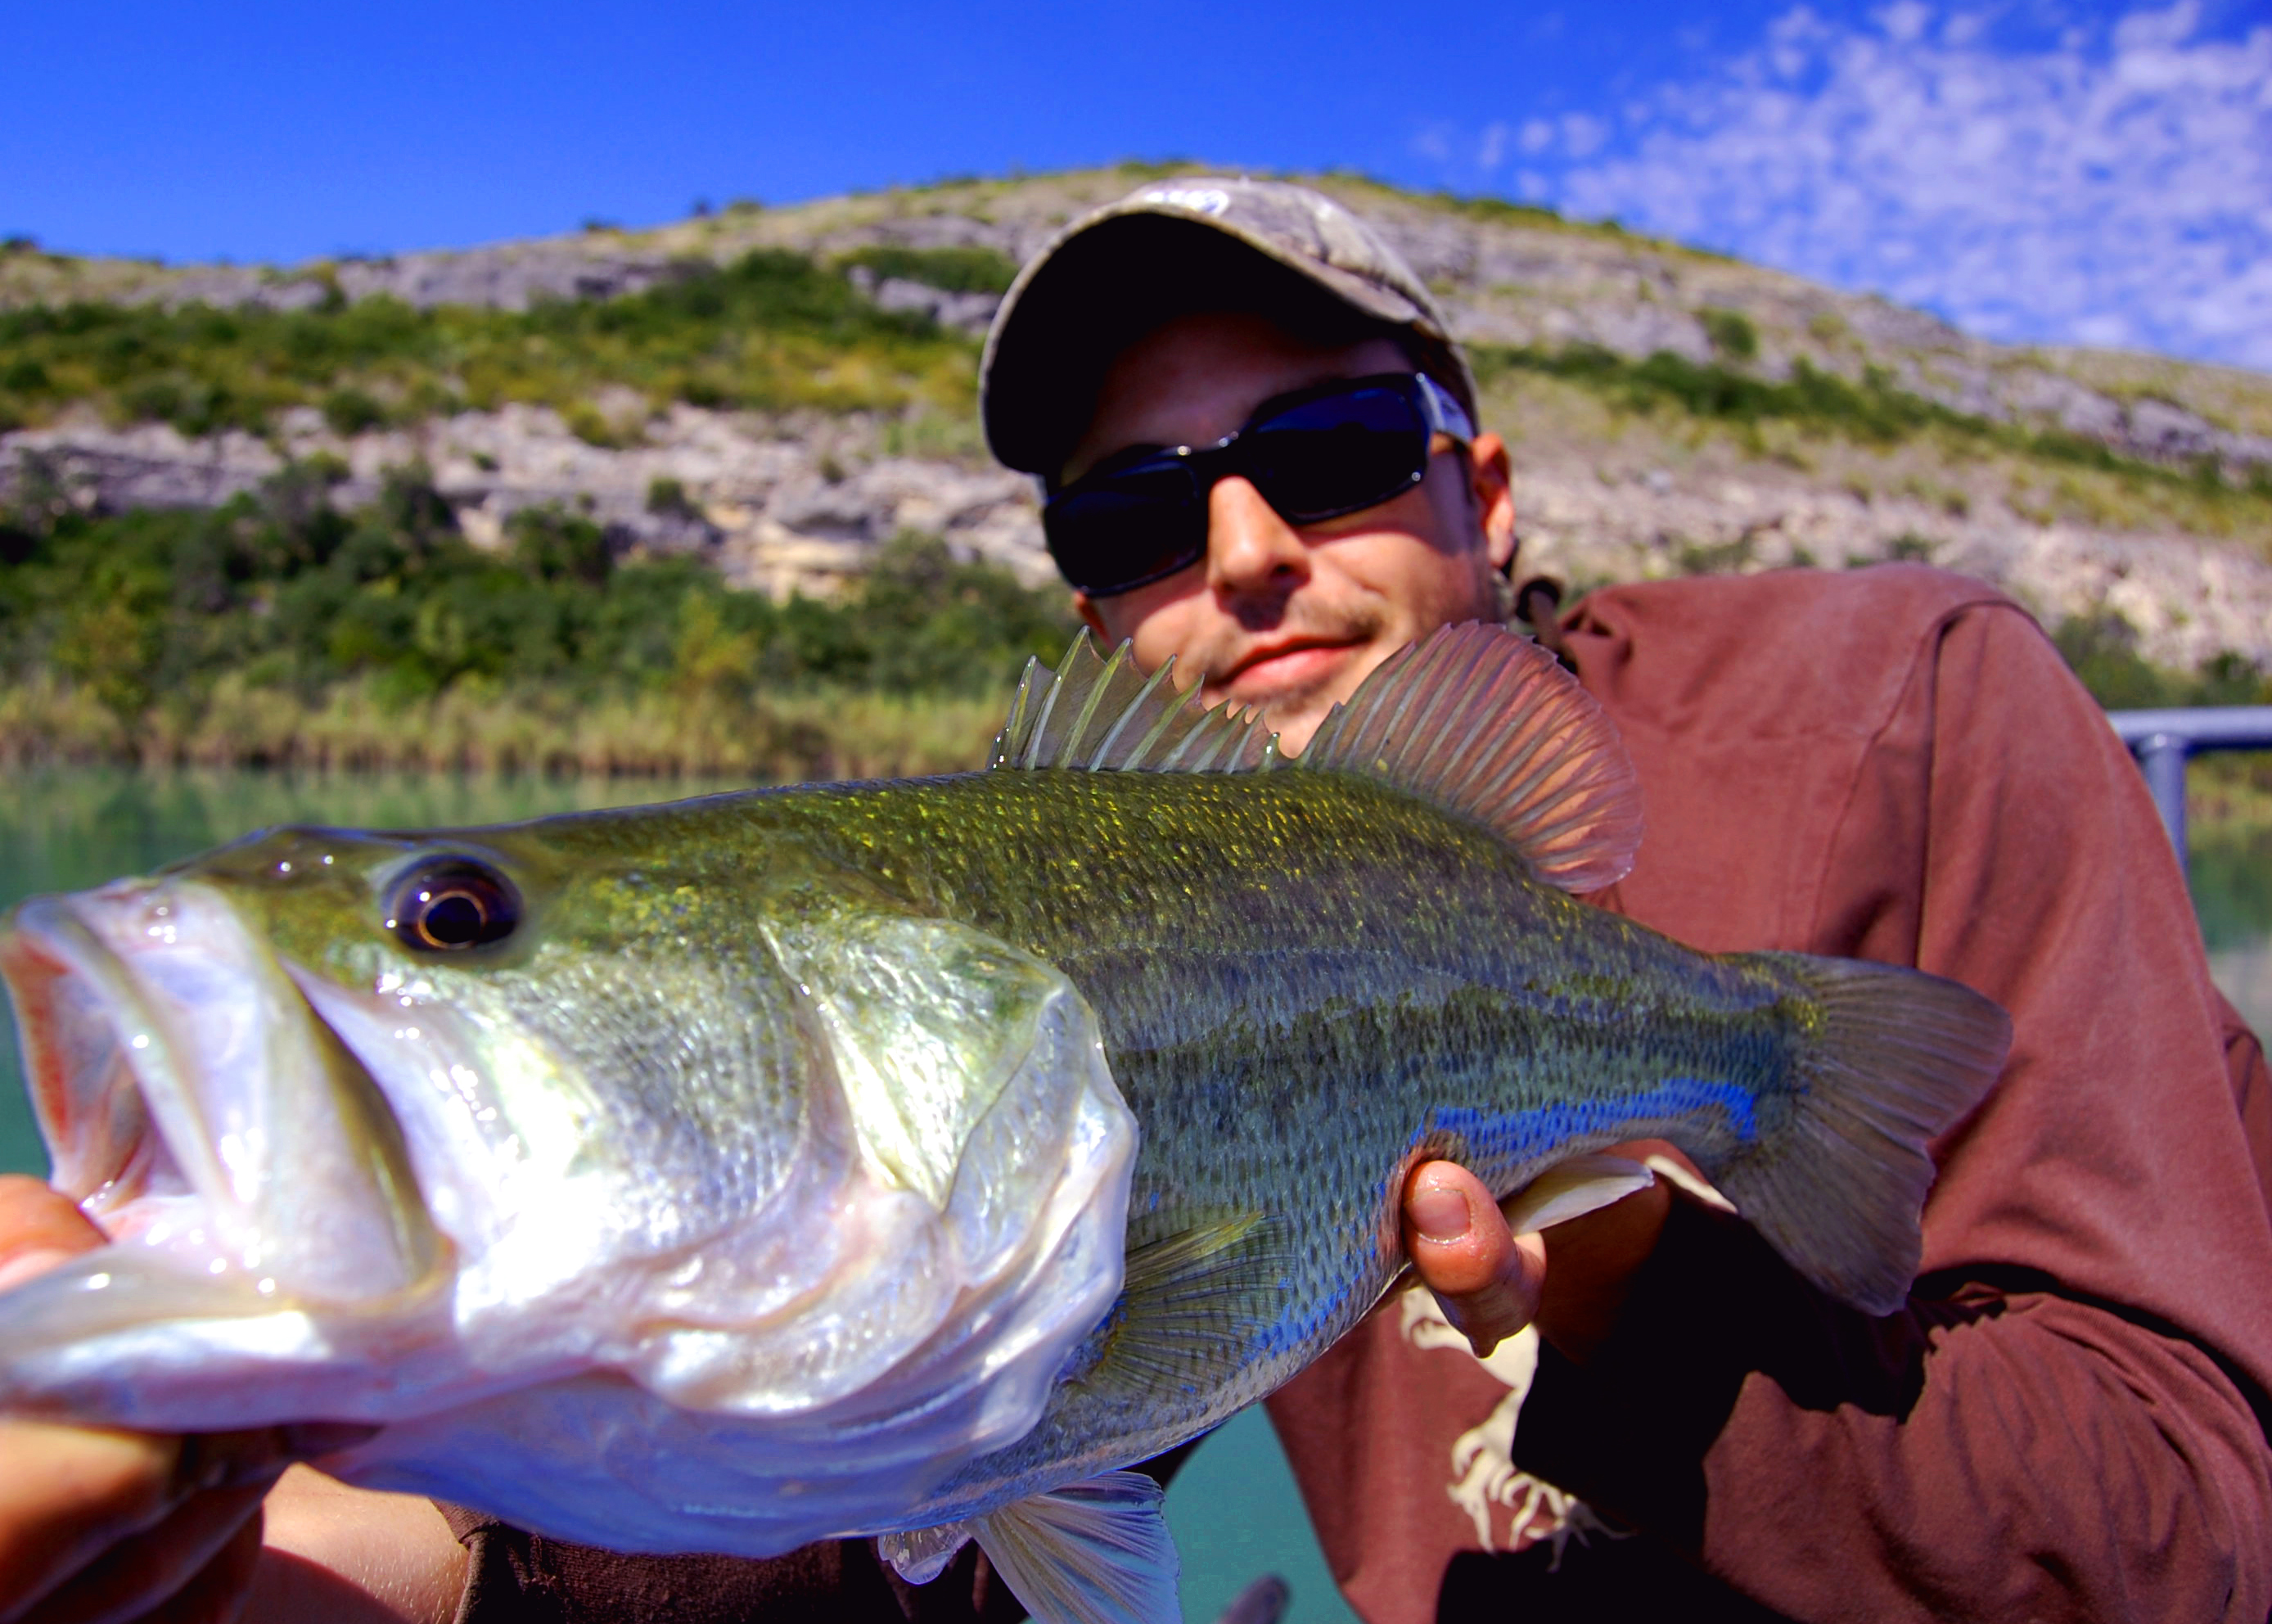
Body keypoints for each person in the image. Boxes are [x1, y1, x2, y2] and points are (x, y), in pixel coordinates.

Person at [2, 176, 2268, 1623]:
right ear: (1086, 612)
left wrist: (1628, 1259)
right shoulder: (1073, 980)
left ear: (1481, 482)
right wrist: (328, 1554)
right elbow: (879, 1429)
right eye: (1132, 522)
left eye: (1337, 449)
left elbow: (2198, 1549)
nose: (1249, 555)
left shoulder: (1901, 703)